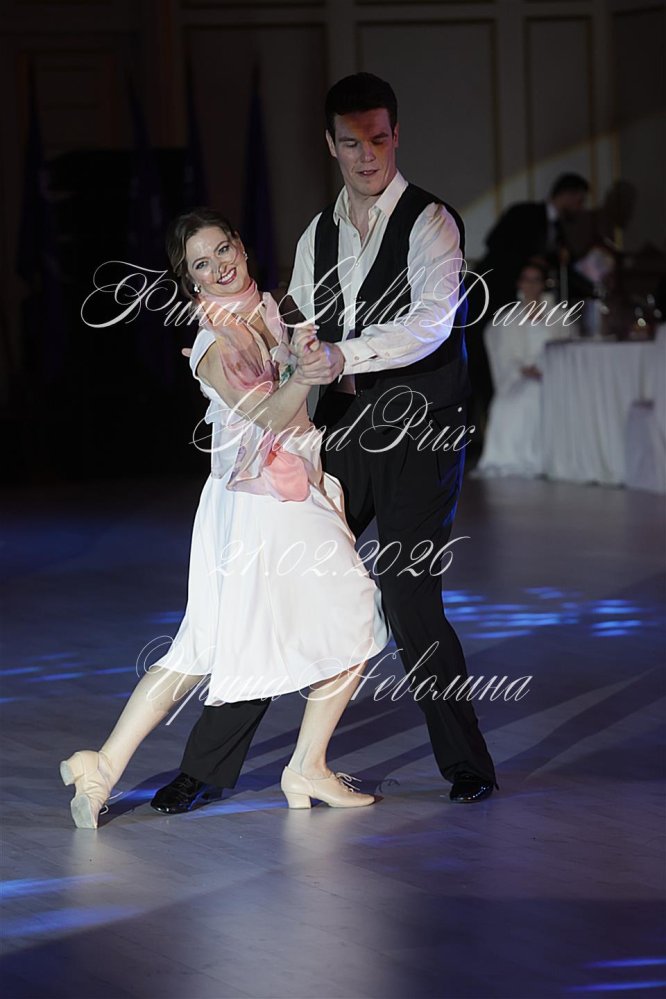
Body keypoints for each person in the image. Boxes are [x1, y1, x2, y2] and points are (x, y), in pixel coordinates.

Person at [153, 73, 497, 815]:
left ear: (396, 136)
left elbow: (432, 322)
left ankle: (467, 764)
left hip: (422, 430)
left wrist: (341, 356)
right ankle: (205, 769)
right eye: (352, 142)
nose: (367, 154)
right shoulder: (318, 233)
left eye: (379, 138)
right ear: (331, 145)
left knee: (407, 594)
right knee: (278, 580)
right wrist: (277, 362)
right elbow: (302, 326)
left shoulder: (432, 221)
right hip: (344, 428)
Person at [59, 207, 389, 828]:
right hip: (265, 499)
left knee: (200, 644)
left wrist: (305, 355)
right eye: (201, 265)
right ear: (190, 280)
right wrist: (307, 371)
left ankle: (102, 765)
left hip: (261, 495)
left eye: (223, 251)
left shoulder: (270, 311)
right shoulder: (214, 344)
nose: (218, 268)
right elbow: (269, 416)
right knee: (358, 609)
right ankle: (308, 766)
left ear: (240, 245)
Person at [468, 173, 590, 427]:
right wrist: (530, 262)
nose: (580, 208)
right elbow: (495, 242)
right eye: (579, 200)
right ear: (567, 195)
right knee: (481, 362)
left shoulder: (558, 232)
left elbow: (565, 270)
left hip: (520, 303)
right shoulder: (525, 213)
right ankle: (485, 425)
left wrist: (592, 289)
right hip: (491, 297)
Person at [475, 259, 569, 477]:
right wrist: (522, 370)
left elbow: (566, 348)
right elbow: (504, 354)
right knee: (515, 401)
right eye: (527, 280)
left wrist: (548, 369)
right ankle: (512, 457)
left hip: (553, 373)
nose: (531, 285)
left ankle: (539, 457)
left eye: (536, 280)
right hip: (520, 375)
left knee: (534, 394)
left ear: (543, 284)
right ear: (519, 284)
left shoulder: (559, 317)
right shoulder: (508, 319)